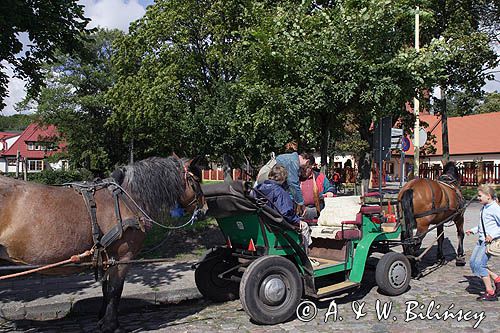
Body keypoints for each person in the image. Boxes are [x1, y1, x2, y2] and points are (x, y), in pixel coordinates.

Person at [255, 165, 312, 254]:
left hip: (263, 224)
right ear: (283, 178)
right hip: (277, 226)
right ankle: (305, 256)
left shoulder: (257, 189)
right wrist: (297, 220)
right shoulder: (280, 192)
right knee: (304, 226)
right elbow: (286, 212)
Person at [466, 184, 500, 301]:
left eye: (480, 196)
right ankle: (497, 280)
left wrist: (493, 235)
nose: (478, 198)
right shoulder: (485, 207)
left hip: (490, 242)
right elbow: (484, 225)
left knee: (480, 265)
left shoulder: (495, 208)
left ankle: (490, 293)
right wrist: (474, 230)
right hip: (481, 240)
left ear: (488, 196)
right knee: (473, 263)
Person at [256, 150, 310, 214]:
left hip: (264, 182)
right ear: (307, 162)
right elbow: (293, 184)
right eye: (307, 166)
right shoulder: (293, 162)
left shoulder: (290, 158)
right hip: (268, 183)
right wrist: (301, 203)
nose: (305, 169)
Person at [300, 156, 334, 224]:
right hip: (300, 211)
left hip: (318, 210)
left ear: (312, 166)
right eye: (303, 167)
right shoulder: (296, 179)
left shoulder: (320, 177)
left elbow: (330, 187)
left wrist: (330, 192)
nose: (304, 170)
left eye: (307, 167)